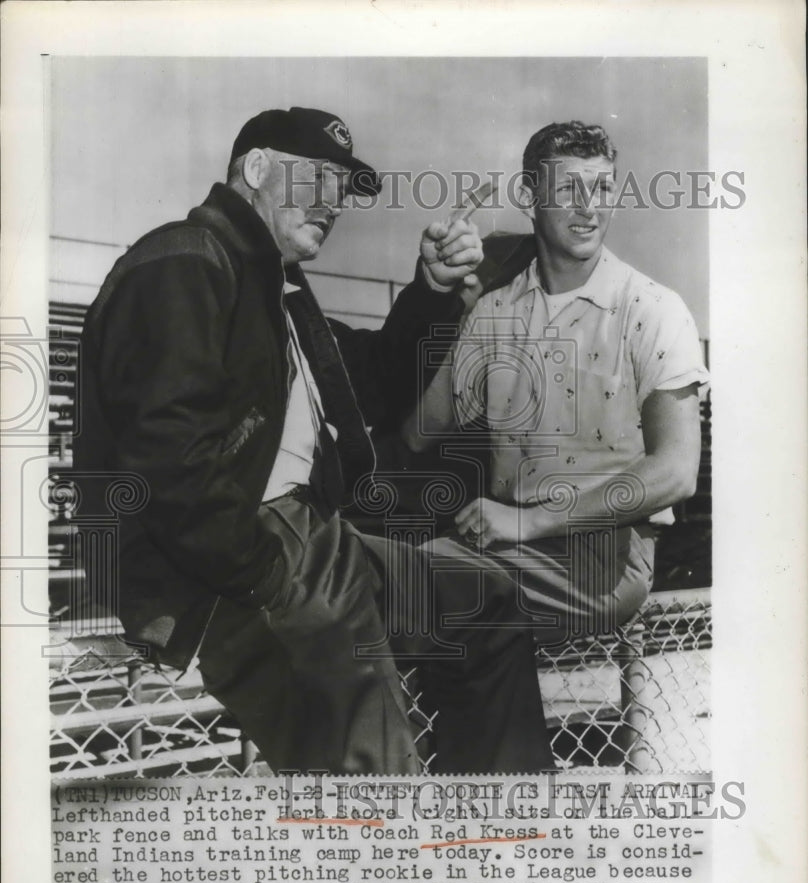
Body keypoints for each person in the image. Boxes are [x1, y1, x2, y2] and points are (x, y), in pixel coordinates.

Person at [75, 106, 554, 776]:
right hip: (251, 561)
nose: (334, 203)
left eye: (343, 188)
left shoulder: (278, 291)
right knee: (378, 785)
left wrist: (431, 290)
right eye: (319, 180)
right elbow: (165, 456)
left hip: (318, 541)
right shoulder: (184, 262)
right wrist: (260, 574)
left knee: (488, 605)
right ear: (256, 170)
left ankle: (504, 831)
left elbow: (374, 390)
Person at [404, 120, 709, 649]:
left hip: (602, 560)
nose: (590, 207)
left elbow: (677, 473)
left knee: (401, 582)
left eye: (604, 188)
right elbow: (416, 433)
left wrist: (531, 524)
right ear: (529, 195)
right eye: (570, 188)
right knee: (415, 595)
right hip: (501, 542)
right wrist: (438, 291)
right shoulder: (494, 311)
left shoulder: (652, 308)